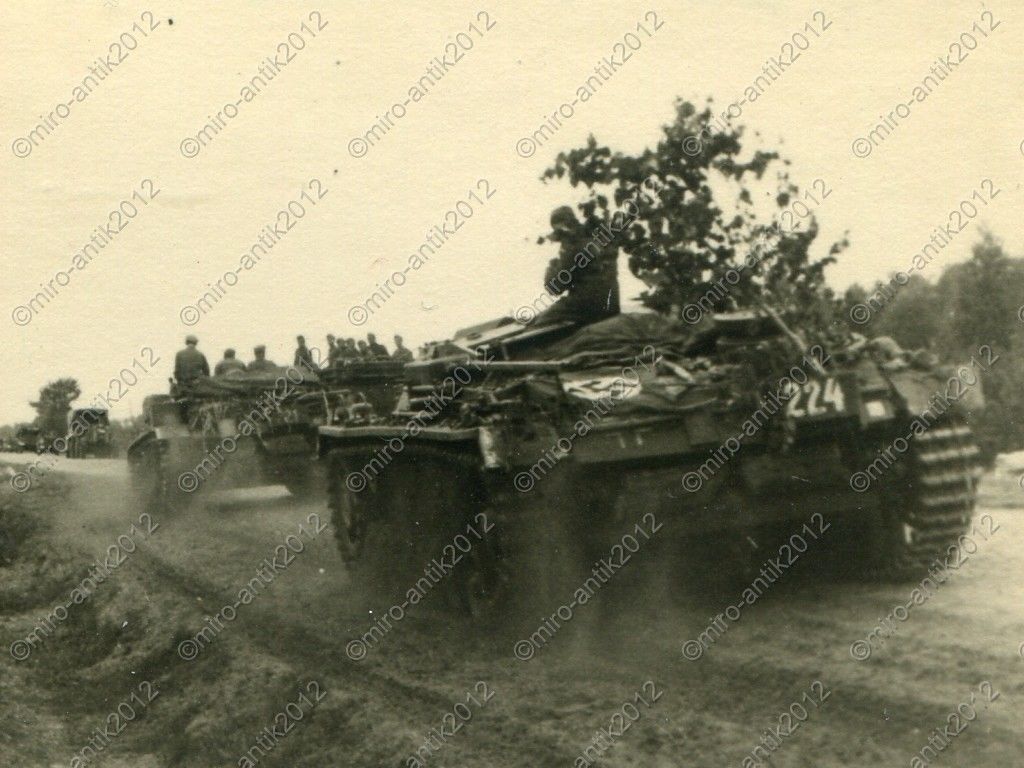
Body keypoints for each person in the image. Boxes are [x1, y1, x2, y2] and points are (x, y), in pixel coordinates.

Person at [533, 205, 621, 327]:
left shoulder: (572, 244)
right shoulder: (593, 237)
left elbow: (554, 287)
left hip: (586, 306)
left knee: (538, 324)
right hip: (611, 304)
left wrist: (552, 264)